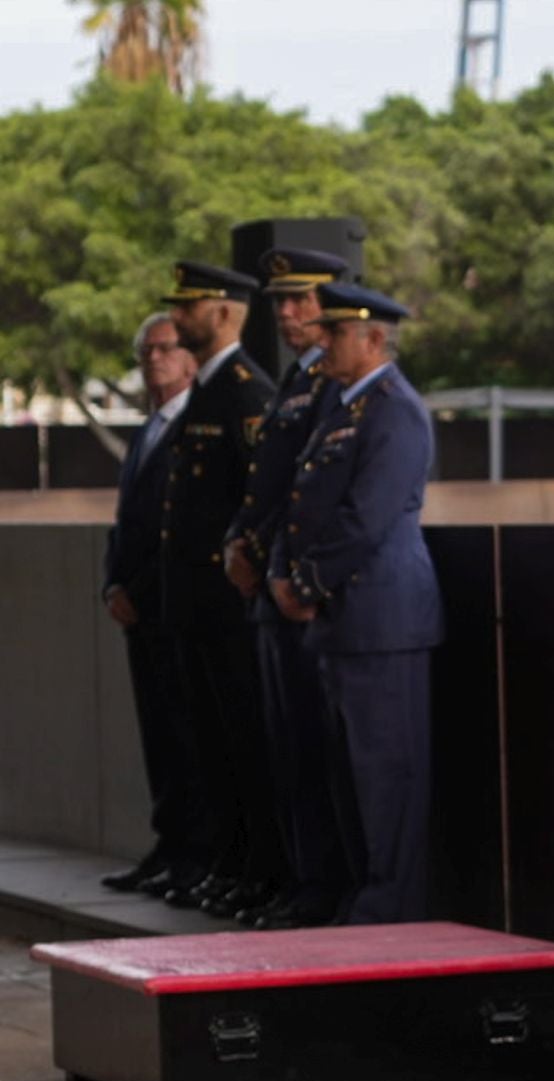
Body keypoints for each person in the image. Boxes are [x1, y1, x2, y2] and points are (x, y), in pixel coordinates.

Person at [270, 282, 444, 925]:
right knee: (347, 776)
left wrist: (306, 582)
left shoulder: (393, 409)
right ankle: (360, 899)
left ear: (374, 340)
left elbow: (366, 517)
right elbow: (302, 504)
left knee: (385, 777)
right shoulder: (343, 408)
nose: (322, 339)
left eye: (336, 332)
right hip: (345, 620)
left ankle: (387, 910)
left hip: (381, 619)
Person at [224, 247, 354, 929]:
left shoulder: (338, 388)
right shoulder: (295, 382)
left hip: (304, 593)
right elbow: (267, 484)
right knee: (287, 751)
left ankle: (324, 885)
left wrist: (272, 560)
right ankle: (301, 879)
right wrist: (239, 544)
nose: (289, 312)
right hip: (271, 585)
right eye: (280, 301)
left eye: (302, 299)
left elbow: (319, 495)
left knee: (317, 751)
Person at [157, 261, 285, 915]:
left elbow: (258, 500)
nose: (177, 320)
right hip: (193, 606)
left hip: (230, 605)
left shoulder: (246, 392)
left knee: (245, 742)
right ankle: (230, 863)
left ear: (228, 313)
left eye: (190, 308)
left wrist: (246, 566)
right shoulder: (204, 393)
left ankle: (262, 868)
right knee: (209, 743)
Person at [99, 315, 210, 895]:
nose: (152, 360)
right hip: (137, 610)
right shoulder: (148, 428)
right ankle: (169, 847)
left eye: (164, 349)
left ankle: (196, 856)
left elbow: (180, 529)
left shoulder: (199, 424)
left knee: (189, 735)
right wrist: (111, 585)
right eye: (144, 350)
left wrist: (137, 591)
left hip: (172, 606)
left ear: (192, 360)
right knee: (158, 737)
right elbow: (127, 524)